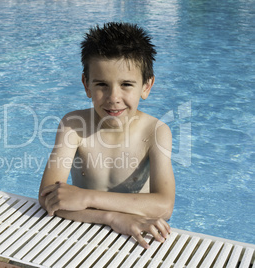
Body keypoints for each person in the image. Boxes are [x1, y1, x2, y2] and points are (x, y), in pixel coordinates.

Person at [38, 22, 175, 249]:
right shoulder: (73, 126)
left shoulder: (155, 132)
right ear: (87, 84)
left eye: (126, 84)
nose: (113, 97)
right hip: (81, 230)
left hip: (139, 236)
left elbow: (164, 206)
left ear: (146, 86)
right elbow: (48, 197)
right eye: (102, 84)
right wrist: (112, 217)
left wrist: (87, 198)